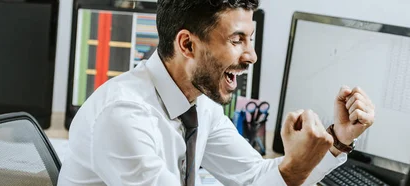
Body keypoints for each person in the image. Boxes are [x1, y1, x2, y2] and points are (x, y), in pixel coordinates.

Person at [57, 0, 376, 185]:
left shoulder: (197, 105)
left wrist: (338, 140)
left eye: (251, 39)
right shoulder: (123, 116)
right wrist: (295, 168)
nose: (251, 56)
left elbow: (252, 176)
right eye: (238, 40)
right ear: (187, 45)